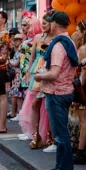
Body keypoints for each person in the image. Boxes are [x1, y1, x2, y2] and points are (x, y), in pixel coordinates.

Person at [34, 11, 77, 170]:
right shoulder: (69, 41)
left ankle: (65, 169)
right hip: (64, 91)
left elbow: (54, 74)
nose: (48, 25)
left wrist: (39, 76)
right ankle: (60, 166)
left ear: (54, 25)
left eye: (50, 23)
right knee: (60, 132)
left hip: (57, 93)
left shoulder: (58, 46)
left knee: (60, 134)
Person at [18, 12, 54, 150]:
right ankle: (35, 134)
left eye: (46, 23)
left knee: (48, 105)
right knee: (34, 103)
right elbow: (32, 57)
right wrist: (28, 72)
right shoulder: (38, 38)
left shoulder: (56, 39)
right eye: (42, 23)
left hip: (48, 72)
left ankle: (49, 135)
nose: (44, 26)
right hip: (36, 73)